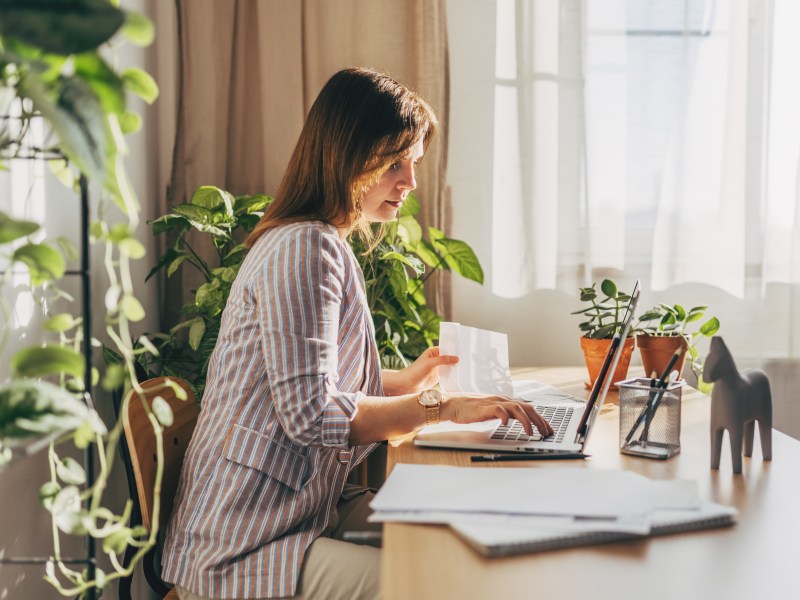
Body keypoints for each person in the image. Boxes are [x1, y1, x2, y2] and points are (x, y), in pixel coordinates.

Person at [161, 67, 553, 600]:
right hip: (244, 546)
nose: (411, 182)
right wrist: (441, 406)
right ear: (347, 154)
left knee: (458, 529)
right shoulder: (305, 248)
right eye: (395, 162)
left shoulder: (312, 241)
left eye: (412, 162)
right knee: (441, 581)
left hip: (289, 515)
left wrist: (403, 382)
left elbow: (302, 381)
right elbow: (310, 414)